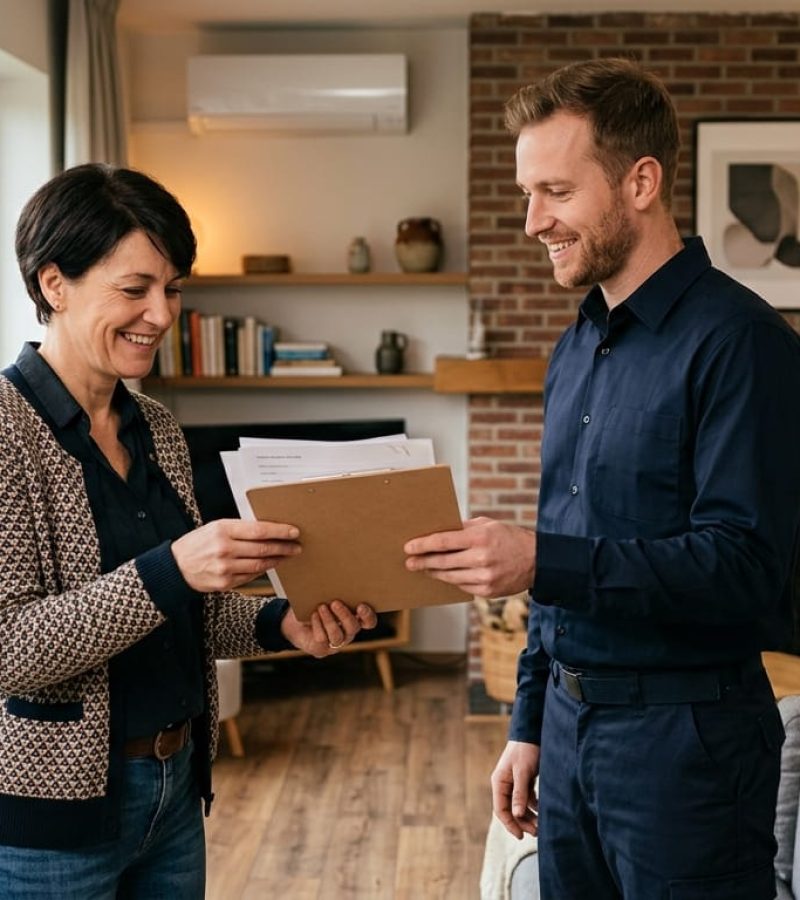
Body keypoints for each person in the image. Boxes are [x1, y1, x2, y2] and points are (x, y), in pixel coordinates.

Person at [404, 57, 800, 898]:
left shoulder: (743, 344)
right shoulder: (577, 344)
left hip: (688, 748)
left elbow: (744, 567)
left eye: (554, 191)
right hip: (572, 734)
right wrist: (529, 723)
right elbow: (571, 546)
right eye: (525, 192)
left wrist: (538, 559)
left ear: (641, 182)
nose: (531, 220)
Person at [0, 163, 376, 899]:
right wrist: (172, 567)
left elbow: (183, 614)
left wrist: (280, 625)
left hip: (175, 794)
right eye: (134, 289)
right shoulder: (6, 433)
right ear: (54, 284)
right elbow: (11, 648)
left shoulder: (159, 430)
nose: (162, 314)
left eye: (171, 289)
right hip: (54, 824)